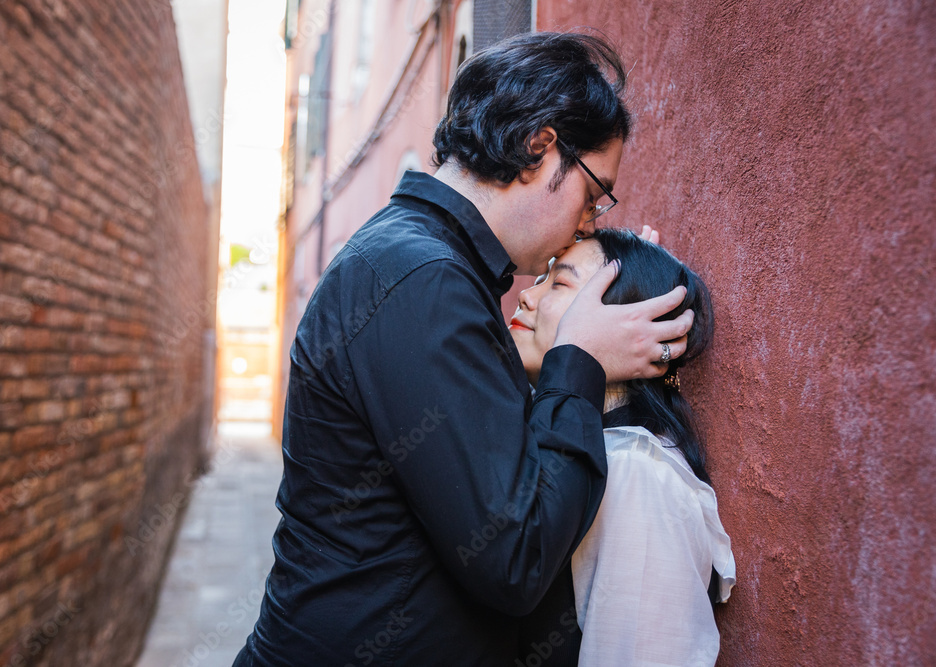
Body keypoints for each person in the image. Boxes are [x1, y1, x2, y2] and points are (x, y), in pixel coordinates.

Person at [233, 32, 695, 666]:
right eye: (592, 194)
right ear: (541, 146)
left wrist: (624, 286)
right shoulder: (423, 279)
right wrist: (579, 359)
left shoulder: (423, 263)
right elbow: (514, 557)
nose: (589, 222)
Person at [509, 229, 737, 666]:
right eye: (542, 278)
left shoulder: (636, 475)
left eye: (559, 283)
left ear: (627, 324)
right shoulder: (571, 442)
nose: (526, 296)